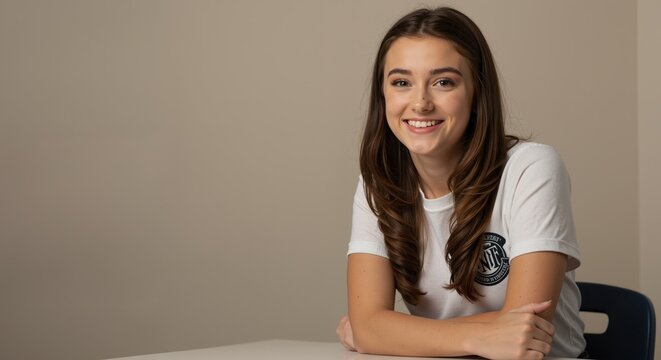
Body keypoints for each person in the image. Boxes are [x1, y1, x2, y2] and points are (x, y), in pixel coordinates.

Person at [336, 7, 586, 359]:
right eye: (401, 82)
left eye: (444, 82)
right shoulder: (379, 183)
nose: (420, 103)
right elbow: (368, 327)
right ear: (383, 95)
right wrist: (478, 338)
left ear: (476, 92)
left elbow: (526, 334)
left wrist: (387, 331)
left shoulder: (532, 168)